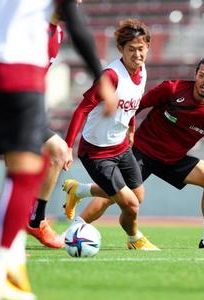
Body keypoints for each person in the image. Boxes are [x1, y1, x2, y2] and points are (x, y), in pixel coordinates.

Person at [0, 0, 116, 299]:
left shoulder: (52, 30)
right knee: (27, 172)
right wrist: (100, 78)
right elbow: (78, 25)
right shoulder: (50, 26)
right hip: (19, 73)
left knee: (27, 165)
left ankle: (14, 266)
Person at [64, 57, 204, 250]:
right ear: (195, 75)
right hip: (143, 153)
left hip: (174, 159)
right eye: (202, 76)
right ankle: (73, 230)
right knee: (114, 196)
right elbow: (137, 105)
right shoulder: (172, 89)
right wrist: (128, 128)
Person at [0, 3, 78, 253]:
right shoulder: (32, 23)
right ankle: (0, 239)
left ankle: (34, 221)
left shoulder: (58, 32)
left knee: (57, 152)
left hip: (26, 104)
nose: (76, 4)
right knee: (20, 167)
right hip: (6, 98)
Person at [62, 19, 159, 251]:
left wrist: (132, 126)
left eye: (141, 48)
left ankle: (80, 190)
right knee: (131, 205)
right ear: (121, 50)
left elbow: (131, 104)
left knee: (138, 195)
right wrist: (67, 146)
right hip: (96, 152)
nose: (137, 54)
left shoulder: (142, 71)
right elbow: (82, 108)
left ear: (148, 47)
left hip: (121, 146)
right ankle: (135, 239)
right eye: (131, 49)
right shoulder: (112, 76)